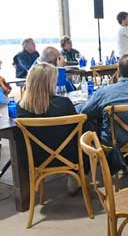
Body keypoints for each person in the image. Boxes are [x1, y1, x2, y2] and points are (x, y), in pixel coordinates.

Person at [17, 63, 83, 192]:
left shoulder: (21, 107)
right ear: (51, 82)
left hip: (36, 158)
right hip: (68, 156)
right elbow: (75, 130)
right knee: (87, 130)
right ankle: (80, 175)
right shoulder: (63, 103)